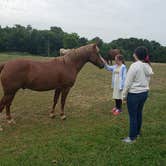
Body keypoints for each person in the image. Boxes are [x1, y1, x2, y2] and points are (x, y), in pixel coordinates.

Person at [122, 46, 154, 143]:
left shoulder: (134, 66)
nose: (133, 54)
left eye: (134, 52)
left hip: (134, 95)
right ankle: (137, 133)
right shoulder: (147, 66)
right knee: (138, 113)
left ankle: (132, 138)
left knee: (133, 116)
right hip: (144, 94)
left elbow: (127, 83)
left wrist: (123, 96)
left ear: (136, 55)